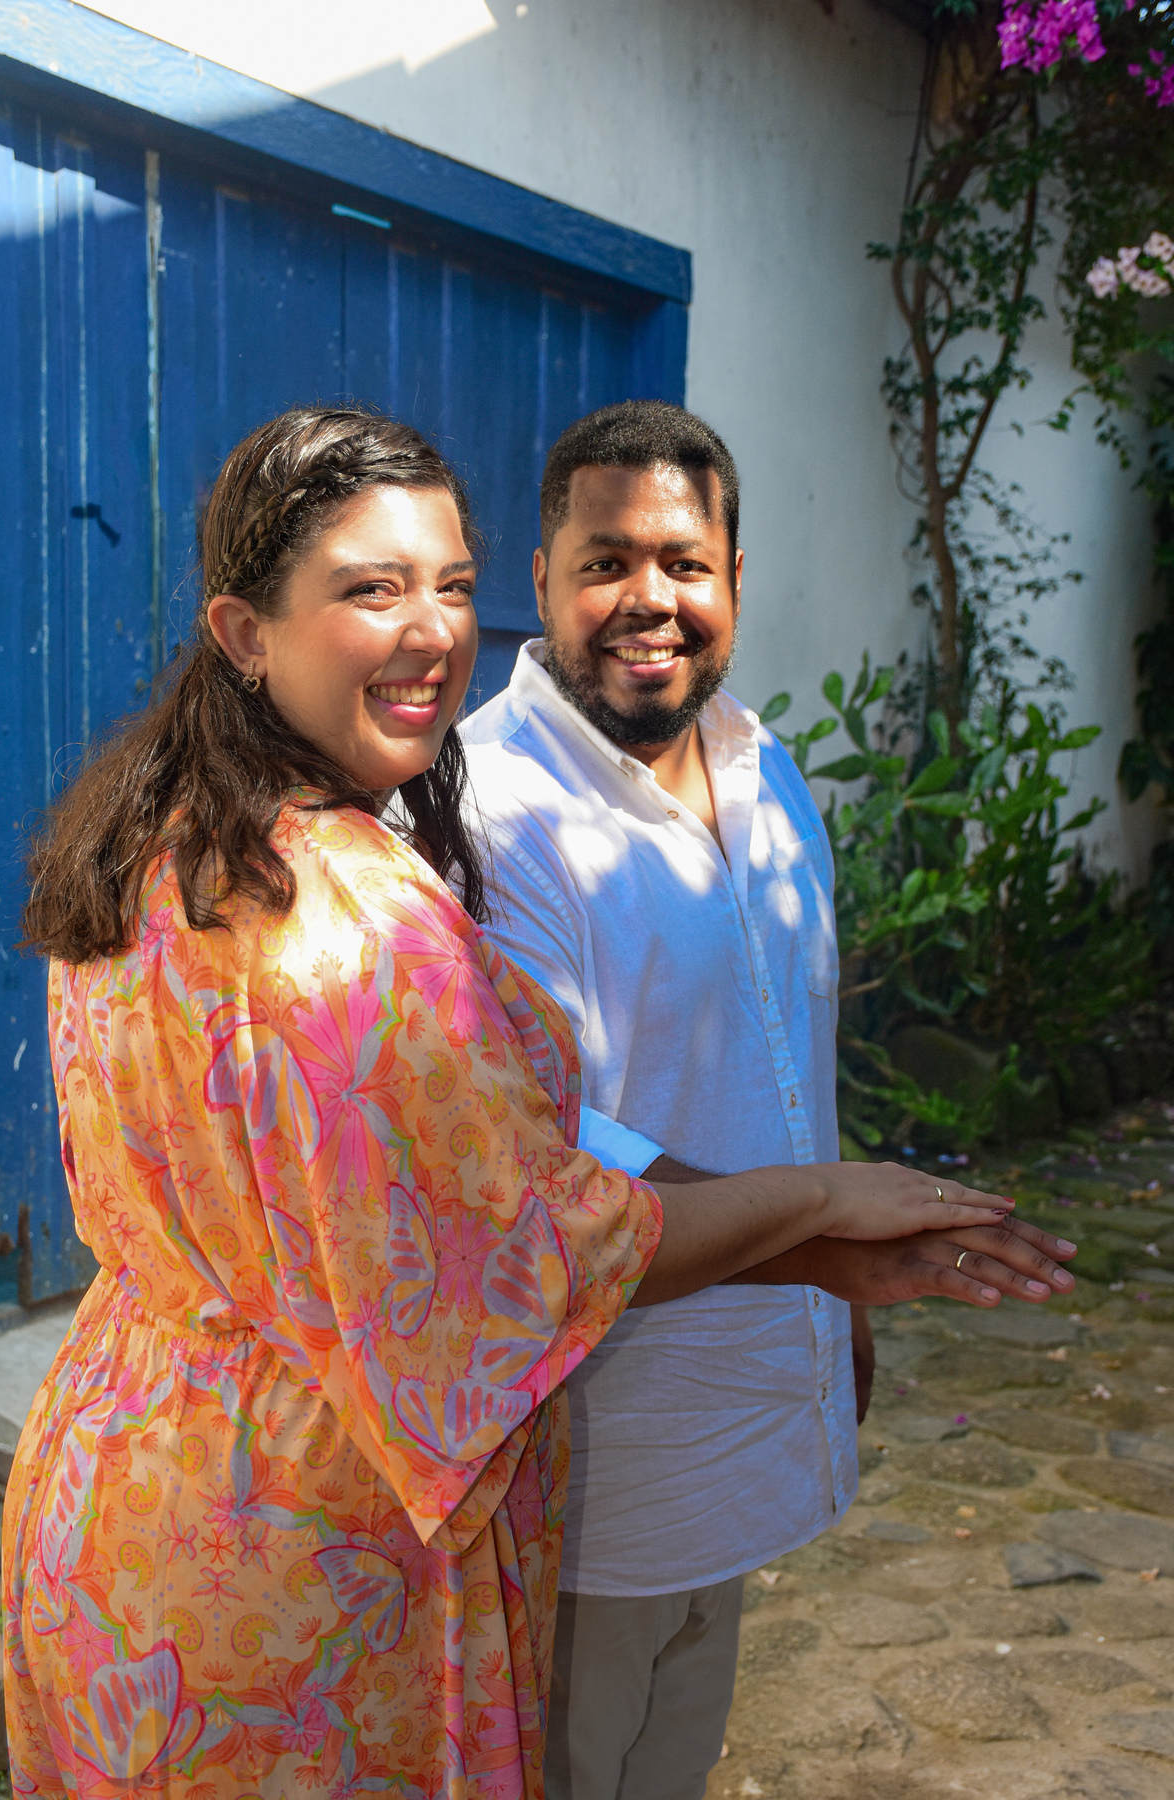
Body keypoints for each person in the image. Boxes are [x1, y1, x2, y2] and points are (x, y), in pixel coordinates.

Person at [2, 406, 1053, 1800]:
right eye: (372, 589)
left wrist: (818, 1263)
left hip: (133, 1486)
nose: (431, 629)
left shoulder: (164, 836)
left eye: (449, 585)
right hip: (304, 1548)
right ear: (245, 631)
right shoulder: (358, 913)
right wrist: (818, 1214)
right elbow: (518, 1246)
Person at [460, 399, 1079, 1800]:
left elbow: (787, 1049)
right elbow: (559, 1157)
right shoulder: (494, 812)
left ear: (735, 578)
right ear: (542, 584)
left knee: (673, 1766)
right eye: (605, 562)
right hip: (600, 1462)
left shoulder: (764, 765)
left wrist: (833, 1306)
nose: (649, 599)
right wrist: (830, 1246)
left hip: (744, 1413)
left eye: (684, 561)